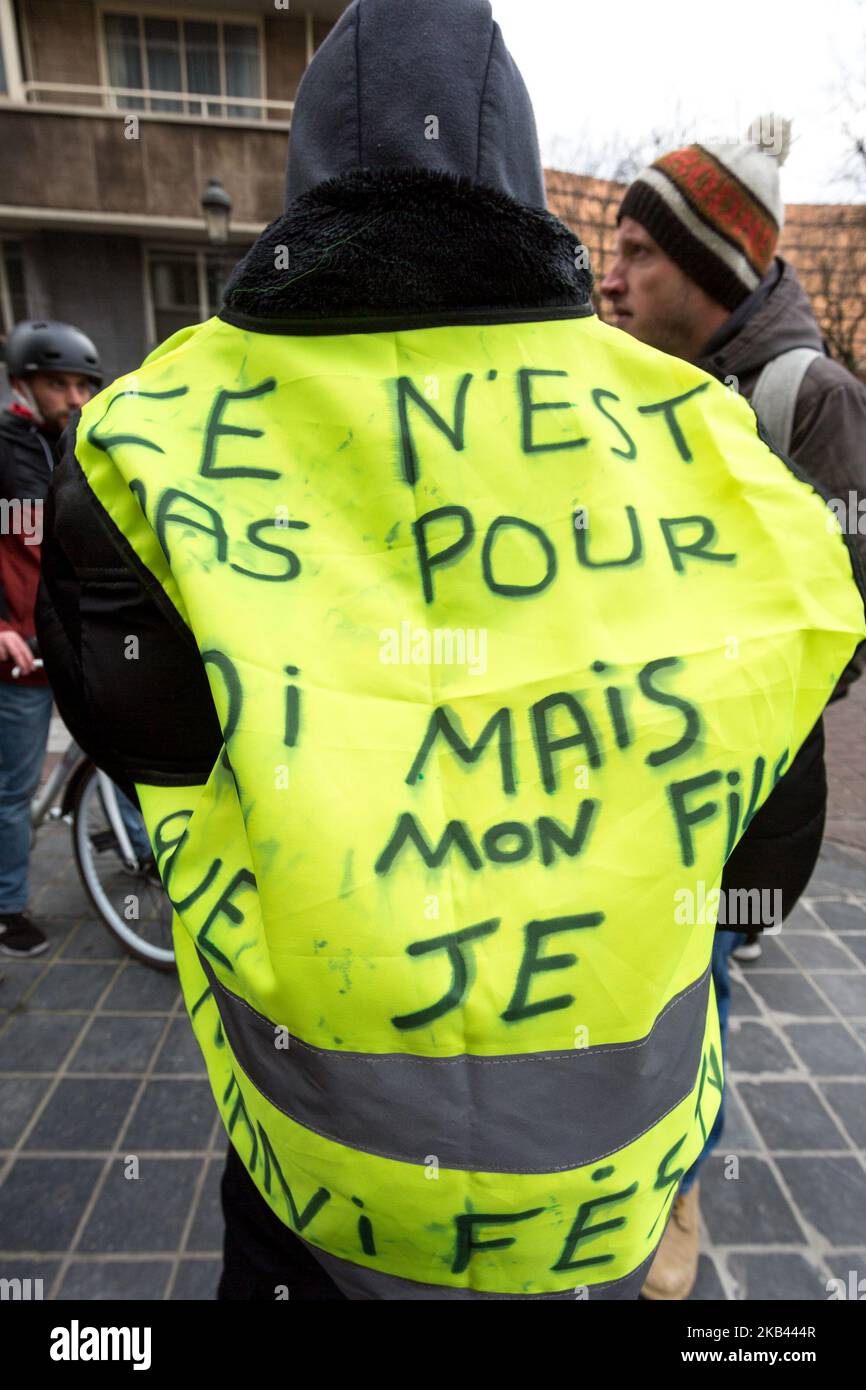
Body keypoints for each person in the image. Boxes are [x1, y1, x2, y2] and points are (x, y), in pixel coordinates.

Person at [35, 0, 866, 1301]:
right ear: (519, 178)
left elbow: (126, 734)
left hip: (307, 1188)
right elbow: (770, 851)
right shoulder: (704, 445)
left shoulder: (149, 440)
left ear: (304, 181)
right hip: (612, 1205)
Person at [600, 117, 866, 1299]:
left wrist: (700, 682)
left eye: (637, 251)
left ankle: (674, 1206)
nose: (610, 273)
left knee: (684, 998)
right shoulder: (626, 385)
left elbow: (844, 618)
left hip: (720, 799)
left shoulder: (802, 395)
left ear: (706, 271)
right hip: (616, 782)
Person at [0, 321, 101, 956]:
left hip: (80, 641)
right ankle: (8, 907)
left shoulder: (85, 447)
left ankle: (138, 851)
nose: (75, 399)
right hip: (20, 654)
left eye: (83, 386)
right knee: (14, 790)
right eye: (58, 384)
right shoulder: (3, 448)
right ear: (23, 384)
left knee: (120, 758)